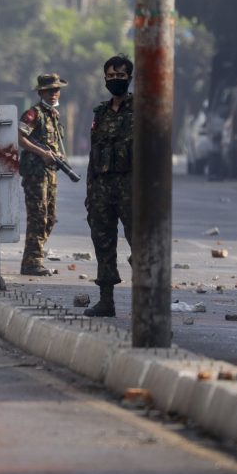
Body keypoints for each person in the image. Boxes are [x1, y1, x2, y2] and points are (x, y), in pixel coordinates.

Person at [84, 55, 134, 317]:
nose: (115, 80)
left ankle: (146, 299)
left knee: (140, 244)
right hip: (102, 188)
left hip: (131, 188)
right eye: (111, 76)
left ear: (129, 77)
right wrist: (90, 192)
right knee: (103, 242)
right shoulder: (100, 114)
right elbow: (94, 154)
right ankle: (106, 301)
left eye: (120, 76)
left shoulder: (140, 109)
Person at [18, 73, 69, 276]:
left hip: (50, 174)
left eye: (56, 90)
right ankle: (32, 261)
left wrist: (58, 156)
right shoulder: (33, 114)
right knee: (38, 216)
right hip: (35, 174)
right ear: (41, 92)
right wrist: (42, 153)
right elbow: (20, 138)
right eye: (50, 90)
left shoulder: (54, 116)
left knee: (50, 218)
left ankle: (31, 258)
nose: (54, 94)